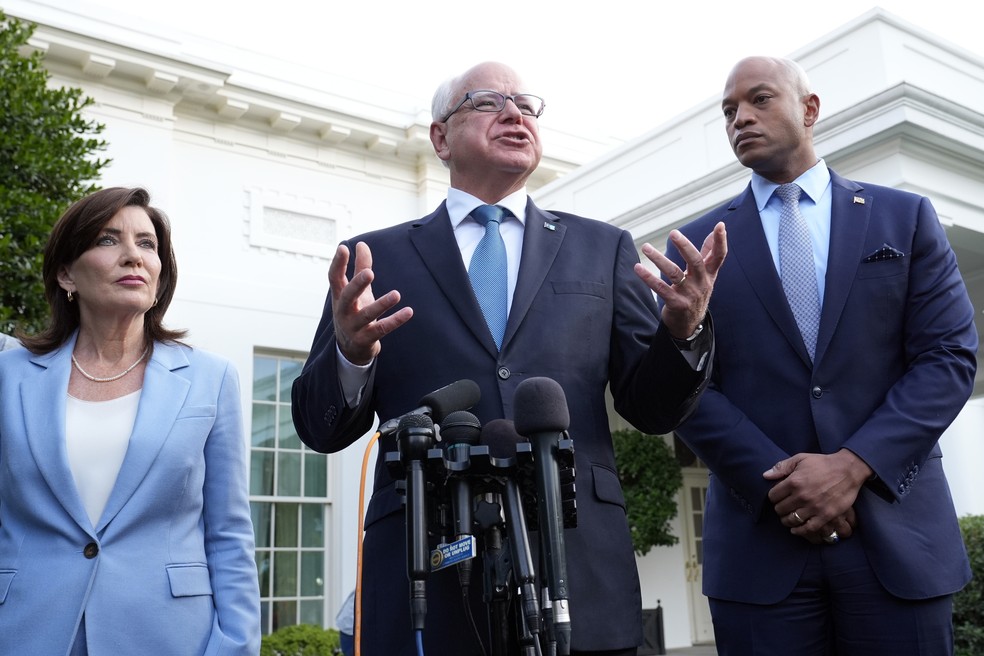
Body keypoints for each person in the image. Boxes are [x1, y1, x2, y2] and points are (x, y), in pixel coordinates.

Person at [292, 61, 727, 656]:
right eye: (489, 101)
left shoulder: (604, 248)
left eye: (526, 104)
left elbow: (650, 409)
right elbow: (321, 427)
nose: (516, 113)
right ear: (441, 137)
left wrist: (682, 332)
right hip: (428, 573)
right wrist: (349, 355)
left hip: (580, 567)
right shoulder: (375, 258)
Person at [665, 56, 978, 655]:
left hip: (896, 533)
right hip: (762, 543)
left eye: (759, 100)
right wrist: (789, 485)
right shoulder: (698, 246)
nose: (740, 119)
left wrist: (853, 464)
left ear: (810, 109)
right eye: (729, 112)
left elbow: (948, 357)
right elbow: (688, 387)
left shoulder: (903, 218)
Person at [0, 187, 261, 655]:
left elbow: (229, 534)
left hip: (169, 635)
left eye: (147, 244)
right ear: (66, 274)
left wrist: (236, 647)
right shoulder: (9, 376)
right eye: (107, 240)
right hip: (26, 630)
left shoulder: (210, 378)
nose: (133, 257)